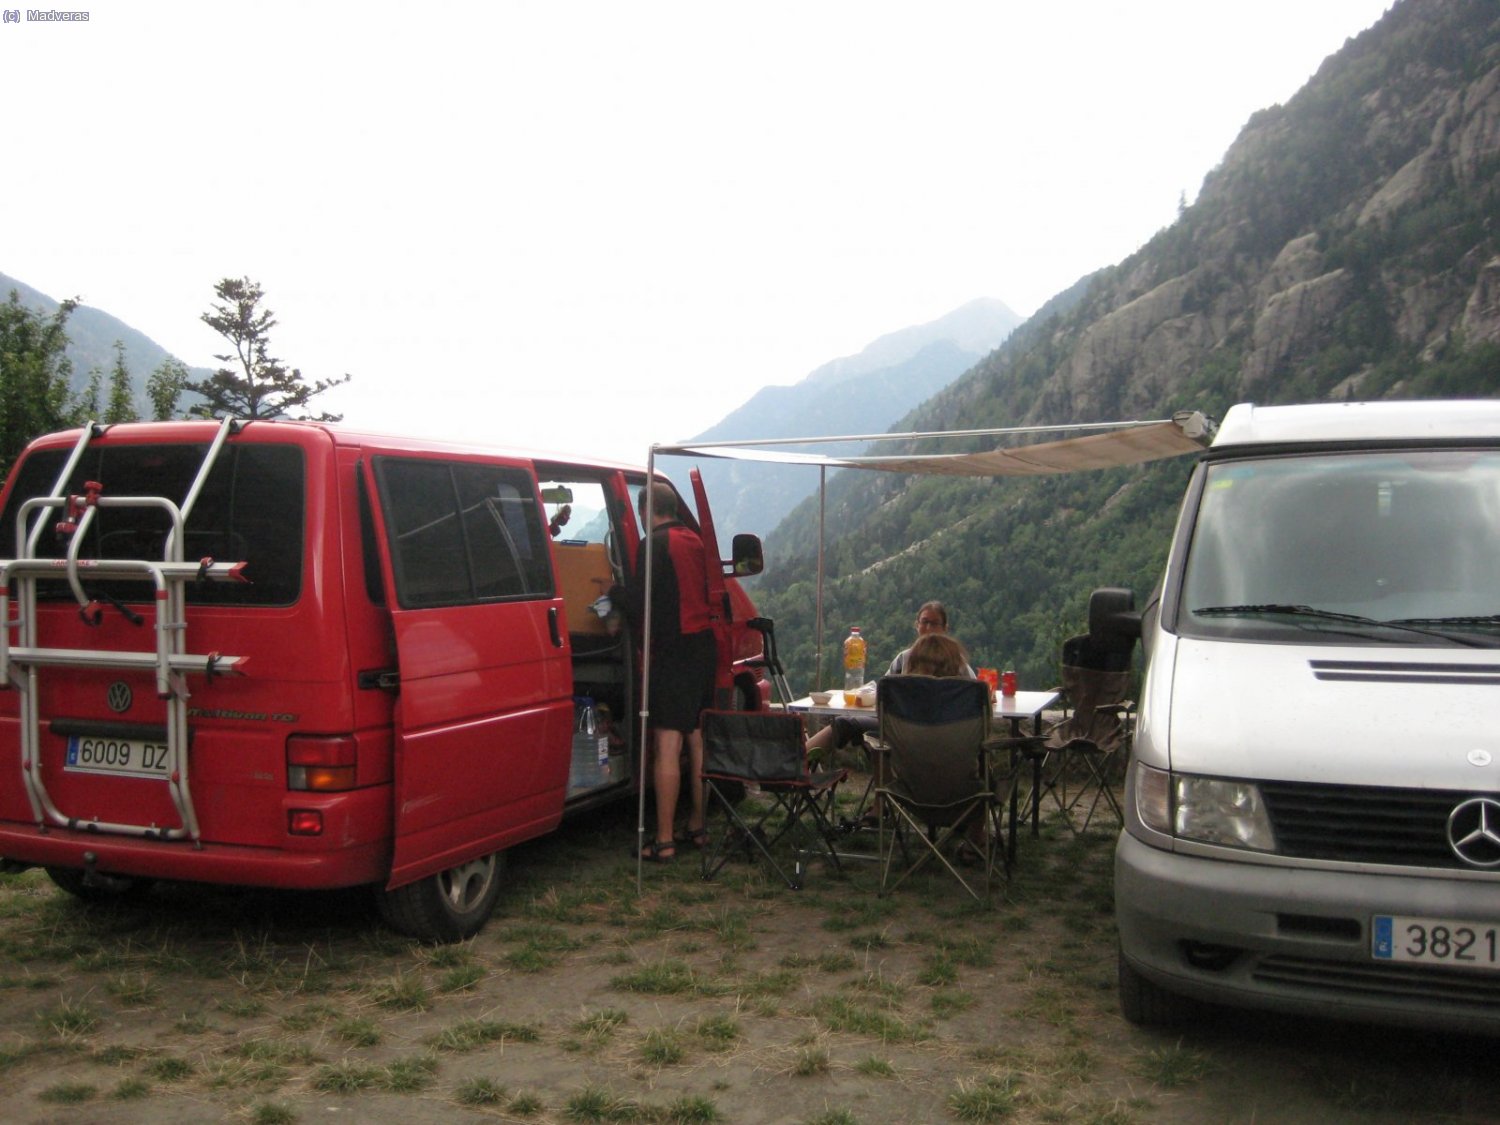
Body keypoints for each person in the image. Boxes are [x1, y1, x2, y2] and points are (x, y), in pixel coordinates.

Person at [620, 482, 718, 863]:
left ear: (646, 510)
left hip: (674, 649)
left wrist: (612, 593)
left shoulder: (653, 545)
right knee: (697, 739)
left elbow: (639, 604)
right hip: (703, 647)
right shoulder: (695, 540)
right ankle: (697, 824)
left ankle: (663, 839)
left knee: (666, 743)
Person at [806, 600, 975, 757]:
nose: (929, 627)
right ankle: (799, 761)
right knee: (843, 724)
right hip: (949, 738)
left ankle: (799, 763)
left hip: (904, 733)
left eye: (934, 623)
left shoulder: (913, 660)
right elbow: (976, 700)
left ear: (945, 628)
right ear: (917, 625)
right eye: (925, 622)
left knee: (845, 725)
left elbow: (883, 696)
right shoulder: (956, 665)